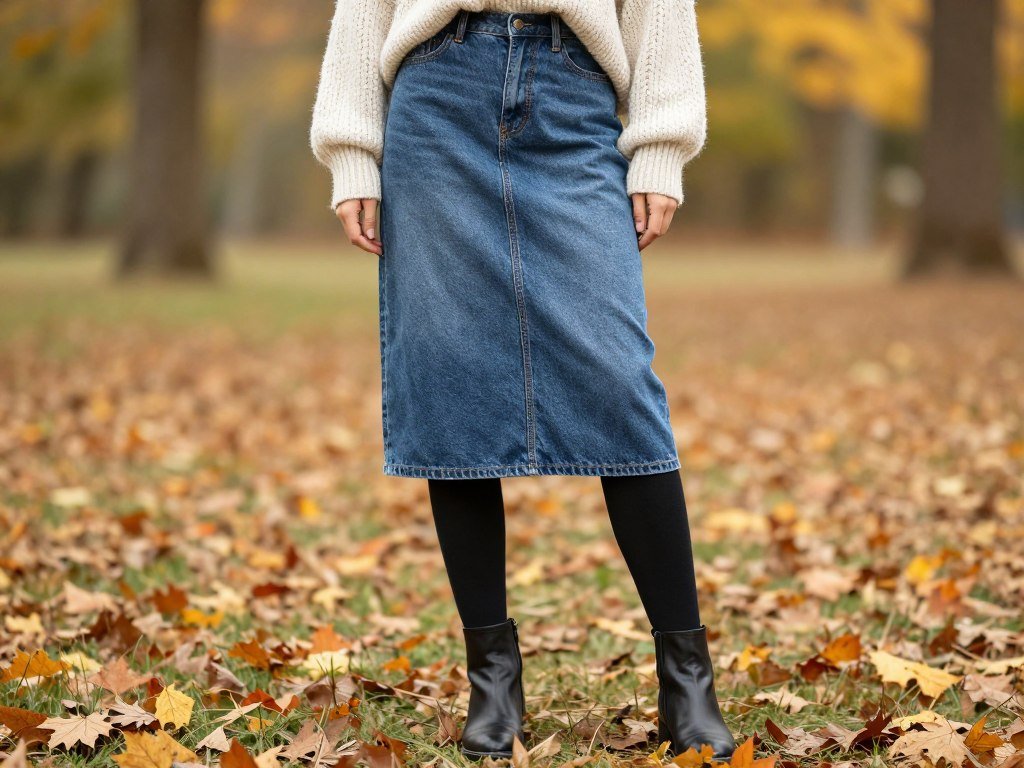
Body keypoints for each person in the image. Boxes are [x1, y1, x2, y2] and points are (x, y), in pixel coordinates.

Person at [310, 1, 736, 761]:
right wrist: (352, 152)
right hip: (435, 99)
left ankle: (687, 678)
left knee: (618, 382)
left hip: (574, 93)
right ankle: (493, 680)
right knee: (453, 381)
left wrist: (661, 146)